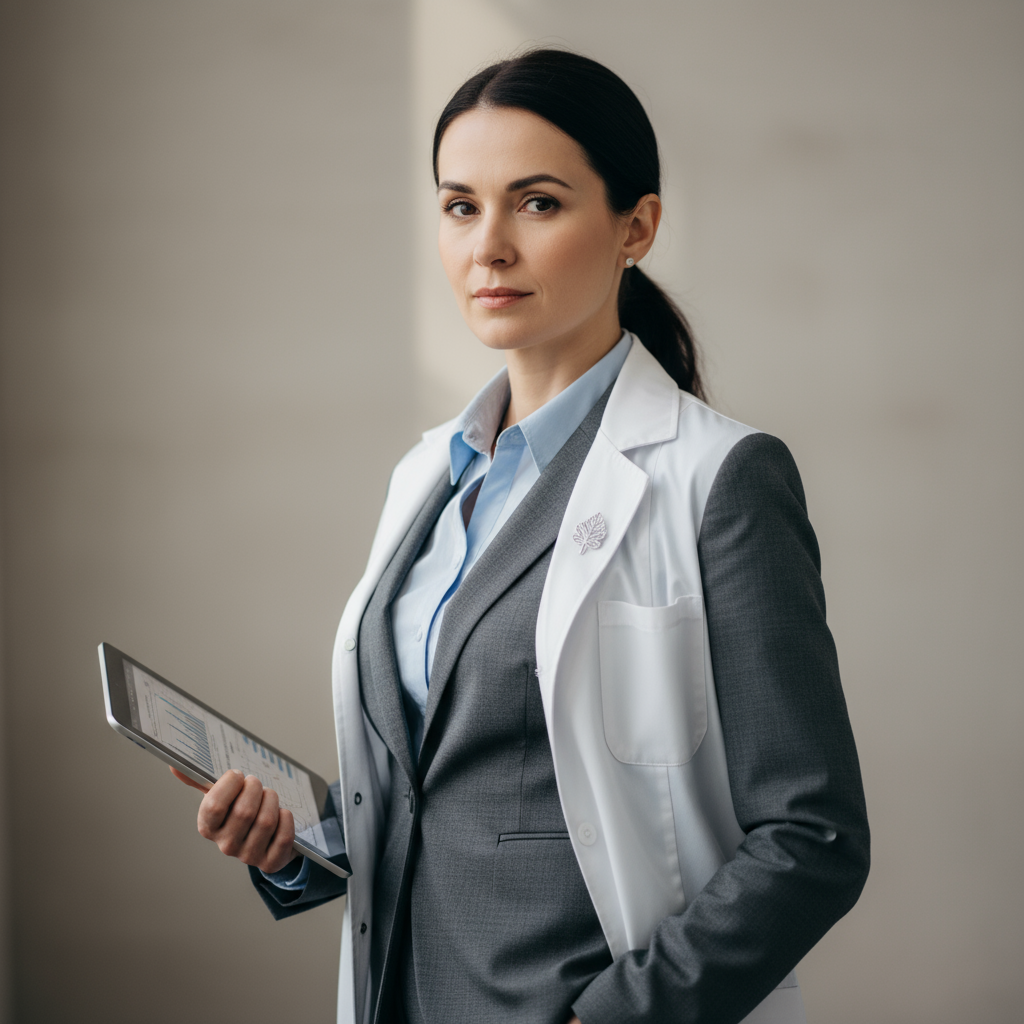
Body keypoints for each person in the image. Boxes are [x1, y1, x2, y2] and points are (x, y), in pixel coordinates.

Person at [172, 49, 869, 1024]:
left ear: (637, 226)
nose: (487, 246)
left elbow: (813, 834)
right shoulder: (425, 476)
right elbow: (442, 792)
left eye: (536, 203)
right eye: (461, 206)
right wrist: (295, 848)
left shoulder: (720, 480)